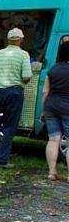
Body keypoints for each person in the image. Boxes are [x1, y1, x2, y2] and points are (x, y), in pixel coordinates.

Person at [0, 27, 32, 168]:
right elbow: (26, 76)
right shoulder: (23, 55)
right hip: (14, 93)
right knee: (9, 126)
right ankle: (2, 160)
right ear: (21, 40)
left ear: (8, 39)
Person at [42, 41, 69, 181]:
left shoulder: (53, 69)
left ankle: (52, 172)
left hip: (51, 107)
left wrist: (43, 110)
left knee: (53, 140)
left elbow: (45, 92)